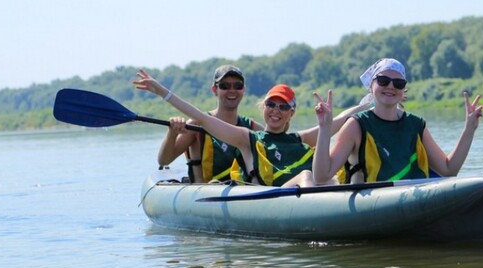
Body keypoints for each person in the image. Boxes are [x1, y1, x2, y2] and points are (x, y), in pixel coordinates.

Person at [134, 68, 367, 187]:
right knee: (307, 174)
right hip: (278, 199)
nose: (276, 110)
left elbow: (338, 121)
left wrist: (369, 102)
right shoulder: (248, 137)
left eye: (283, 107)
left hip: (302, 196)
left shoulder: (300, 138)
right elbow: (200, 117)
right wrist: (162, 92)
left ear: (291, 113)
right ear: (263, 107)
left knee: (329, 174)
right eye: (271, 104)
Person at [311, 58, 483, 185]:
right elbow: (321, 177)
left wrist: (469, 129)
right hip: (371, 205)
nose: (391, 86)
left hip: (415, 201)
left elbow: (448, 169)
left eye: (398, 83)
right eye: (383, 81)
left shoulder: (416, 125)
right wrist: (325, 127)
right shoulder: (355, 125)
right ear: (371, 85)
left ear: (403, 89)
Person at [157, 65, 262, 183]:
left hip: (243, 193)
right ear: (214, 90)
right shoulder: (196, 125)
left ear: (244, 89)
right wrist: (172, 133)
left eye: (238, 86)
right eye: (224, 86)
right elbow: (164, 161)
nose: (232, 90)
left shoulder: (253, 128)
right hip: (207, 194)